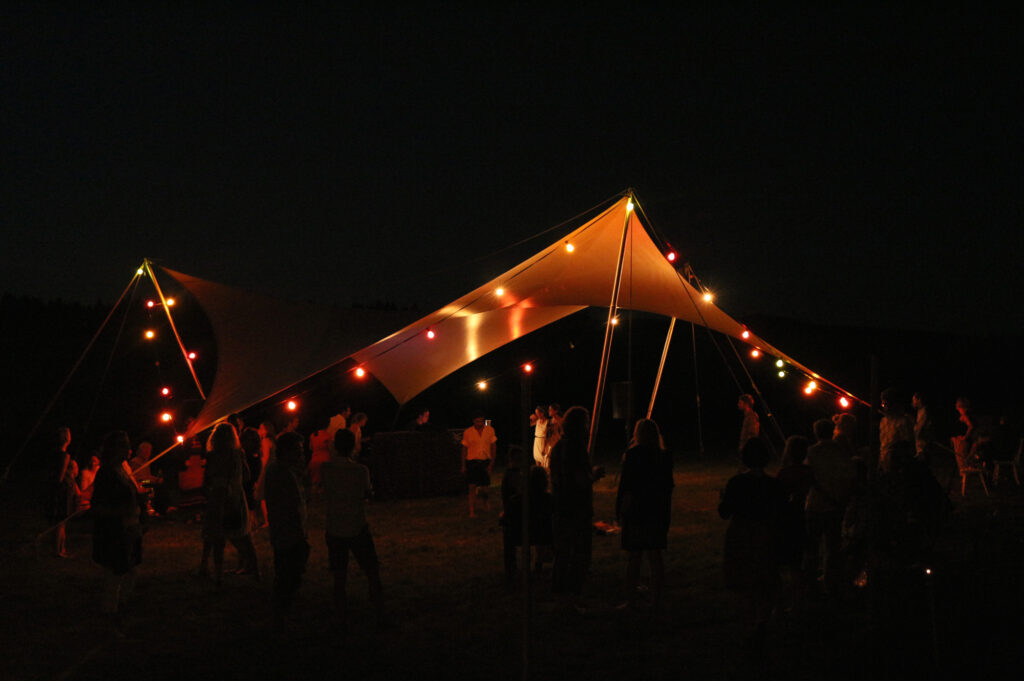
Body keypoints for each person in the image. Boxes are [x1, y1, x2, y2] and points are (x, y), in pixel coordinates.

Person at [718, 438, 785, 651]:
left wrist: (722, 499)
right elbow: (780, 511)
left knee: (745, 581)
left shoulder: (737, 483)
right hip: (766, 534)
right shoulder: (773, 484)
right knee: (764, 579)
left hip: (742, 534)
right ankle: (761, 622)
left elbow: (724, 512)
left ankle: (750, 626)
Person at [322, 428, 384, 631]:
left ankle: (340, 615)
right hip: (357, 526)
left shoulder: (326, 469)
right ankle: (378, 612)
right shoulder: (360, 471)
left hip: (335, 528)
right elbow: (368, 493)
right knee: (372, 570)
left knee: (339, 576)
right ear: (353, 446)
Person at [615, 418, 673, 610]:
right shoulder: (663, 457)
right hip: (656, 510)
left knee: (635, 556)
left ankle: (631, 599)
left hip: (638, 511)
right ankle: (656, 599)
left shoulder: (633, 455)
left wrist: (620, 510)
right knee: (654, 556)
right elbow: (667, 487)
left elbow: (625, 486)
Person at [91, 431, 143, 623]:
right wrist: (120, 511)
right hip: (116, 529)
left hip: (130, 526)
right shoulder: (106, 472)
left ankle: (122, 605)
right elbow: (98, 505)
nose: (128, 448)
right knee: (116, 571)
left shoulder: (122, 469)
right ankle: (110, 612)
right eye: (124, 444)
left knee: (132, 568)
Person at [198, 423, 259, 585]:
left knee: (217, 537)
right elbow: (246, 476)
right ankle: (256, 571)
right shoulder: (238, 454)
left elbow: (207, 480)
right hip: (235, 497)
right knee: (244, 536)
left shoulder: (213, 455)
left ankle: (218, 575)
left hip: (217, 497)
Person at [263, 431, 310, 632]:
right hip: (289, 534)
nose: (301, 455)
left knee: (285, 576)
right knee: (288, 577)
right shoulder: (282, 474)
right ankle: (280, 618)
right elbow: (291, 506)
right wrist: (301, 535)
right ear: (287, 451)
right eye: (298, 451)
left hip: (282, 533)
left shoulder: (278, 470)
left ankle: (281, 617)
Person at [805, 418, 857, 596]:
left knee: (812, 546)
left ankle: (812, 583)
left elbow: (808, 476)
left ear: (817, 433)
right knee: (832, 547)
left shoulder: (812, 451)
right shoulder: (840, 452)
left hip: (816, 505)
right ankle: (830, 581)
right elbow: (849, 476)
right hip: (835, 504)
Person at [548, 406, 593, 607]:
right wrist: (594, 476)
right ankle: (573, 593)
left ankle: (559, 589)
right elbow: (580, 479)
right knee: (579, 551)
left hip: (560, 504)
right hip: (576, 506)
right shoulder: (577, 449)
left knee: (563, 550)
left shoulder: (558, 447)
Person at [501, 447, 554, 588]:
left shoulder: (517, 501)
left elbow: (506, 519)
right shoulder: (550, 500)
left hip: (521, 536)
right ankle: (540, 563)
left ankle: (511, 569)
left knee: (507, 532)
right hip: (546, 535)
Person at [775, 435, 813, 608]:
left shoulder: (785, 473)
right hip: (804, 517)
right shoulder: (808, 472)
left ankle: (792, 599)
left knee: (788, 561)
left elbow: (778, 497)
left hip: (789, 520)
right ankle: (801, 594)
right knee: (799, 559)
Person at [461, 414, 497, 518]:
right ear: (473, 421)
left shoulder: (490, 430)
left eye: (481, 421)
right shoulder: (468, 432)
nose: (479, 424)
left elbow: (493, 446)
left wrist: (491, 464)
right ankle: (472, 510)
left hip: (485, 461)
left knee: (485, 487)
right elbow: (464, 449)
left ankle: (485, 503)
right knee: (472, 487)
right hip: (472, 462)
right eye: (477, 421)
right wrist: (463, 465)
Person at [879, 387, 914, 472]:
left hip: (898, 466)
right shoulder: (883, 421)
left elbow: (907, 445)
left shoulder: (904, 421)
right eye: (883, 404)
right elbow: (883, 444)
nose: (884, 407)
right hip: (885, 463)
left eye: (886, 404)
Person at [52, 427, 74, 557]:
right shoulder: (64, 456)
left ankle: (62, 548)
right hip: (62, 490)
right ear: (66, 438)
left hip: (58, 490)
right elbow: (60, 477)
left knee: (61, 521)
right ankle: (59, 550)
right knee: (61, 522)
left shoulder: (54, 453)